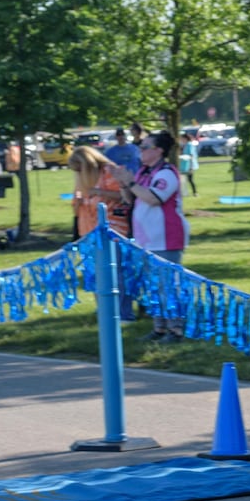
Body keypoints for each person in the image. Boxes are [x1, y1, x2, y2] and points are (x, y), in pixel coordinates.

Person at [107, 129, 187, 343]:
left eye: (144, 147)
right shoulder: (143, 172)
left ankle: (176, 330)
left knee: (167, 285)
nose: (139, 151)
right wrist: (124, 183)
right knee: (153, 285)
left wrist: (131, 183)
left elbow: (153, 198)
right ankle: (159, 329)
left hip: (166, 237)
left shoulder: (167, 173)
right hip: (145, 238)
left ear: (159, 151)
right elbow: (130, 200)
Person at [67, 145, 130, 239]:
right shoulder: (80, 178)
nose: (79, 173)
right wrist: (77, 204)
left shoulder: (108, 171)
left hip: (112, 228)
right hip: (87, 230)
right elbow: (76, 210)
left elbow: (123, 197)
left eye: (80, 169)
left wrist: (98, 192)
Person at [179, 130, 199, 196]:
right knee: (183, 180)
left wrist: (184, 157)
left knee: (190, 179)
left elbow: (191, 155)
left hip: (190, 165)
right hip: (184, 165)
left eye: (182, 138)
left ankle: (195, 192)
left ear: (185, 138)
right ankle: (184, 193)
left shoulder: (190, 145)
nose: (181, 140)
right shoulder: (183, 145)